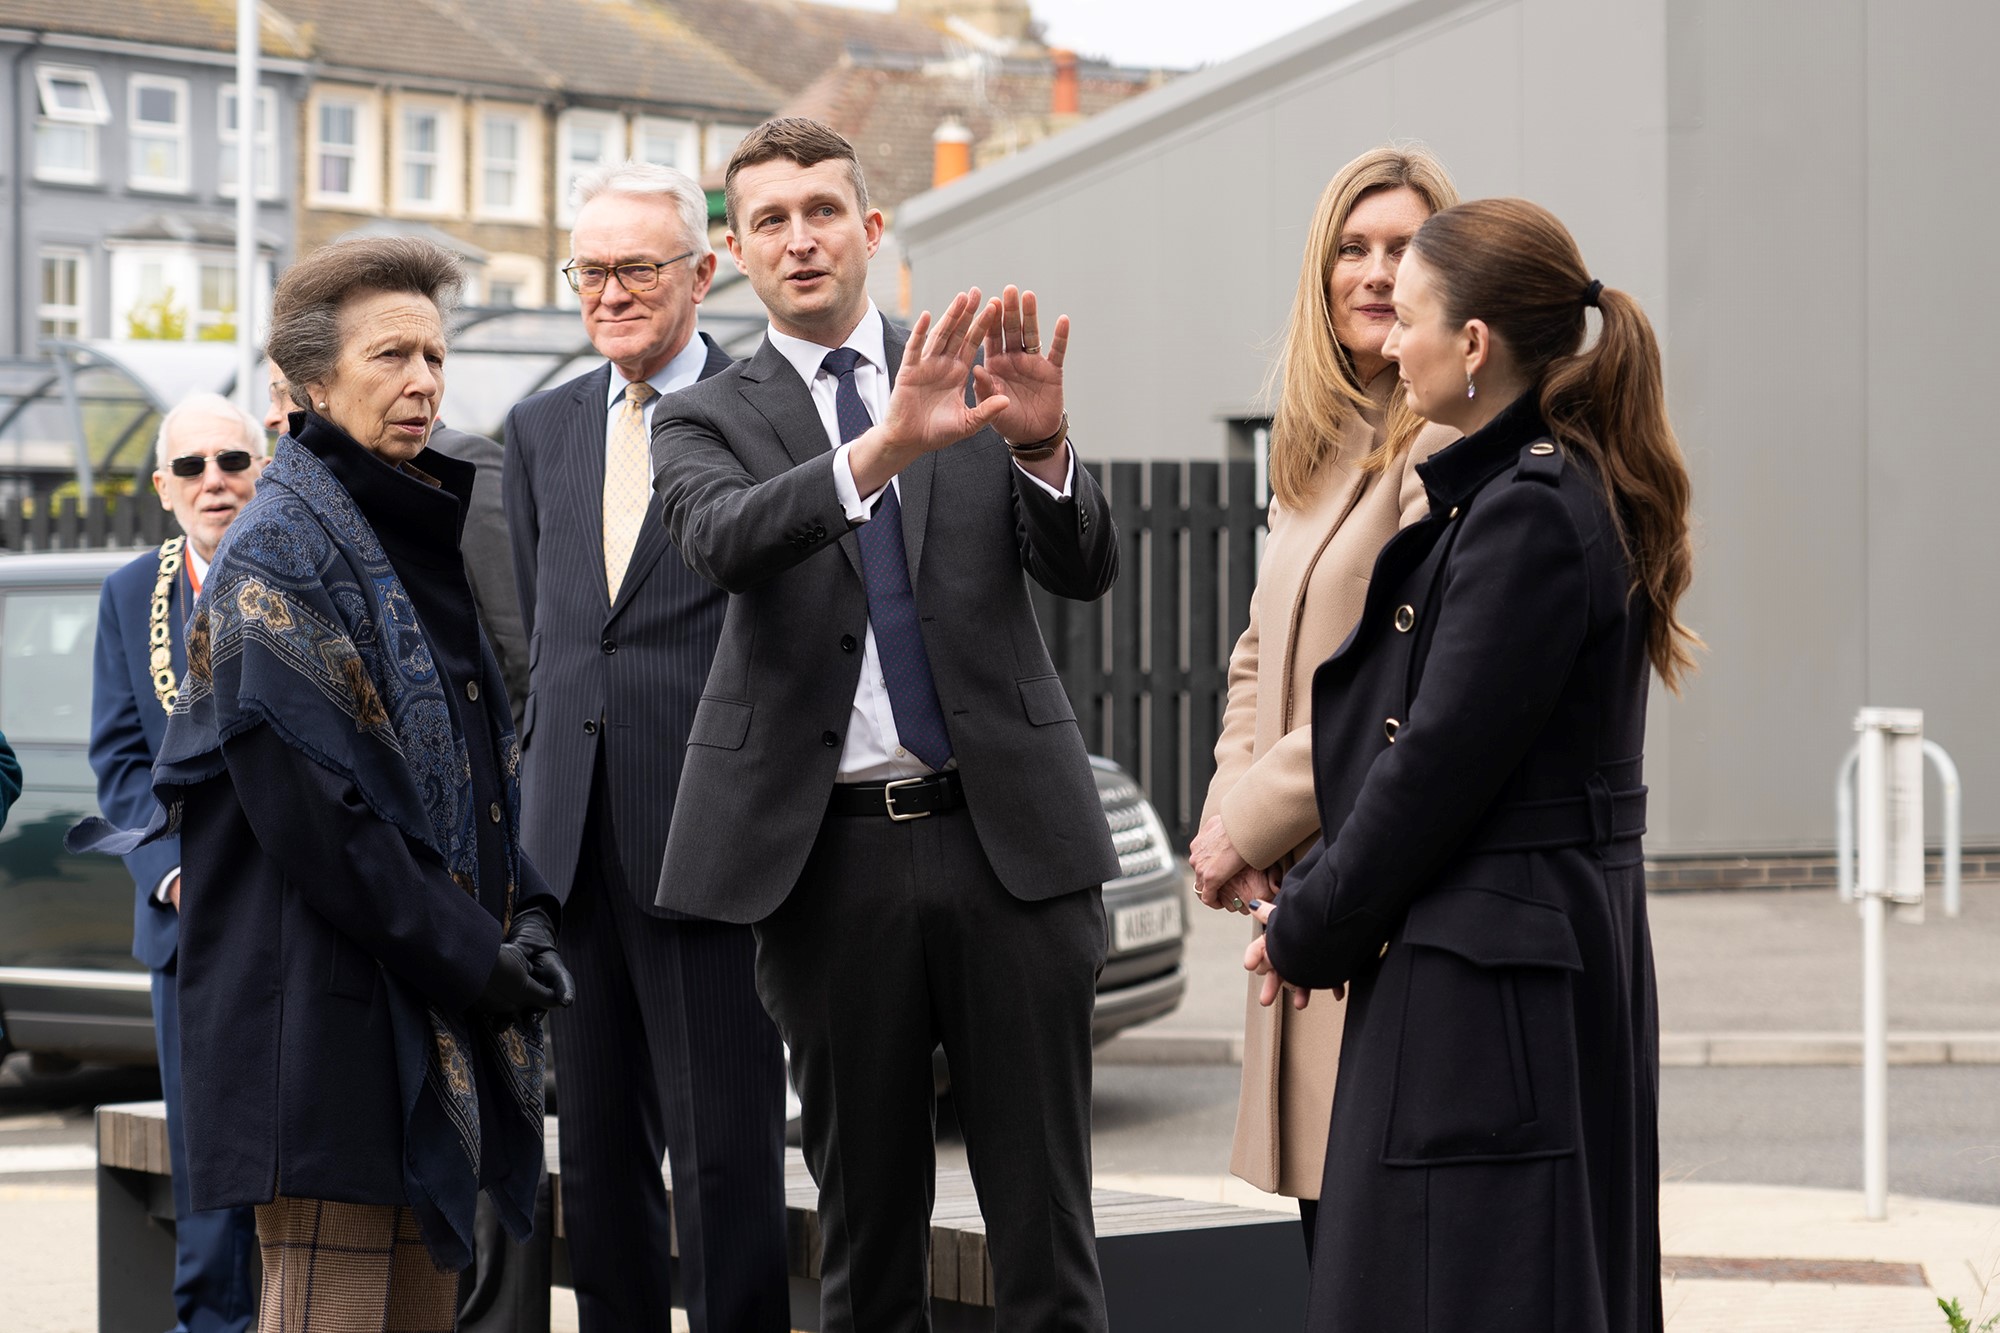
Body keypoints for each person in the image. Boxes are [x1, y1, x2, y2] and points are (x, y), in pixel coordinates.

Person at [652, 117, 1120, 1333]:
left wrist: (1042, 447)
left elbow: (1081, 569)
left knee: (1047, 1236)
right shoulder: (701, 416)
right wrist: (884, 447)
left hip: (1005, 845)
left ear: (869, 230)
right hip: (829, 865)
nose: (799, 237)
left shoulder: (971, 365)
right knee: (867, 1249)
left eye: (821, 210)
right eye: (769, 220)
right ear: (735, 256)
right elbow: (725, 542)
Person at [78, 235, 575, 1331]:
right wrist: (473, 954)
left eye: (436, 357)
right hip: (320, 1026)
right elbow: (320, 818)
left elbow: (479, 766)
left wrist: (525, 906)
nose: (424, 381)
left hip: (413, 1003)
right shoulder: (280, 549)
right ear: (306, 385)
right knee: (328, 1310)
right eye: (391, 354)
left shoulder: (400, 529)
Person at [1247, 197, 1698, 1331]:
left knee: (1470, 1290)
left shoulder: (1528, 515)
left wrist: (1308, 921)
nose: (1389, 342)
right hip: (1501, 972)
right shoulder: (1522, 495)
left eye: (1406, 318)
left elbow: (1436, 764)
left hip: (1489, 994)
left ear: (1474, 344)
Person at [501, 160, 789, 1333]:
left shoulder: (764, 414)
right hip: (569, 845)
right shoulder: (537, 428)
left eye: (634, 269)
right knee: (600, 1166)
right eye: (589, 272)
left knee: (723, 1158)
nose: (608, 293)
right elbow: (552, 634)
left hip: (708, 839)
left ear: (702, 273)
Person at [1187, 146, 1458, 1249]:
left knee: (1381, 1251)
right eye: (1352, 248)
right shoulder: (1318, 442)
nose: (1375, 271)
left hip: (1378, 885)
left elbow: (1389, 684)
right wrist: (1223, 820)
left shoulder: (1442, 440)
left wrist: (1249, 823)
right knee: (1328, 1245)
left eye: (1402, 247)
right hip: (1296, 886)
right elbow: (1260, 652)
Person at [87, 390, 265, 1333]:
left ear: (264, 467)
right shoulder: (129, 593)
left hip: (298, 911)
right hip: (189, 921)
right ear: (163, 487)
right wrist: (170, 869)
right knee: (206, 1183)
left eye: (232, 461)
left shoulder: (306, 572)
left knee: (305, 1172)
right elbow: (118, 759)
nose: (215, 482)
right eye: (192, 467)